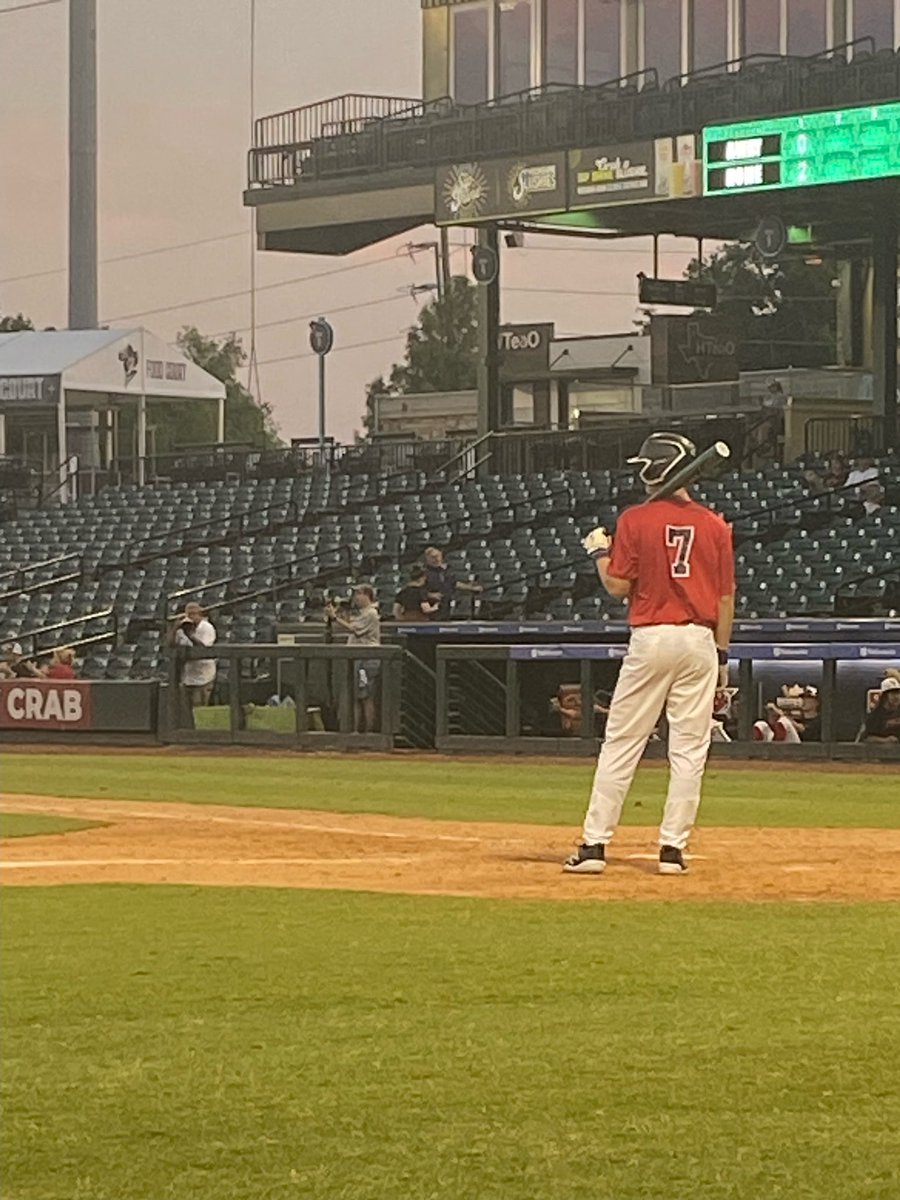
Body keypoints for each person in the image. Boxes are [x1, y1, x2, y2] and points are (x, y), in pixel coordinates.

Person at [563, 432, 735, 876]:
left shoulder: (635, 520)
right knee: (689, 749)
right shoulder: (715, 524)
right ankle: (672, 851)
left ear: (654, 468)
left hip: (653, 635)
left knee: (622, 742)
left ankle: (595, 846)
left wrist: (600, 552)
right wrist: (720, 656)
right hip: (700, 639)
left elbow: (618, 586)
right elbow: (725, 600)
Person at [324, 585, 381, 733]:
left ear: (367, 595)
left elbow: (354, 630)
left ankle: (368, 733)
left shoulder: (371, 613)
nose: (355, 597)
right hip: (359, 658)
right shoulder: (363, 613)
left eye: (358, 594)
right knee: (357, 697)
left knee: (366, 697)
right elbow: (351, 625)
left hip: (367, 658)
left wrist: (335, 618)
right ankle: (356, 731)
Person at [167, 602, 217, 728]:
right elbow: (170, 645)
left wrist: (190, 635)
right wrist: (174, 629)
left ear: (200, 614)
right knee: (186, 711)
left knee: (199, 709)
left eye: (194, 614)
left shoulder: (206, 627)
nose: (191, 617)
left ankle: (202, 737)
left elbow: (203, 649)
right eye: (188, 614)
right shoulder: (183, 629)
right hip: (188, 675)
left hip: (204, 676)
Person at [423, 546, 482, 620]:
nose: (437, 559)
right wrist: (430, 595)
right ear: (427, 558)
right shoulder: (424, 573)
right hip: (431, 606)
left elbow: (454, 583)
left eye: (438, 556)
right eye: (433, 557)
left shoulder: (446, 571)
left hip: (446, 604)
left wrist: (471, 588)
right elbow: (415, 589)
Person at [863, 678, 900, 744]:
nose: (897, 697)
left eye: (898, 693)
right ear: (884, 696)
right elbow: (867, 739)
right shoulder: (876, 715)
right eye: (893, 693)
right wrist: (885, 740)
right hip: (882, 752)